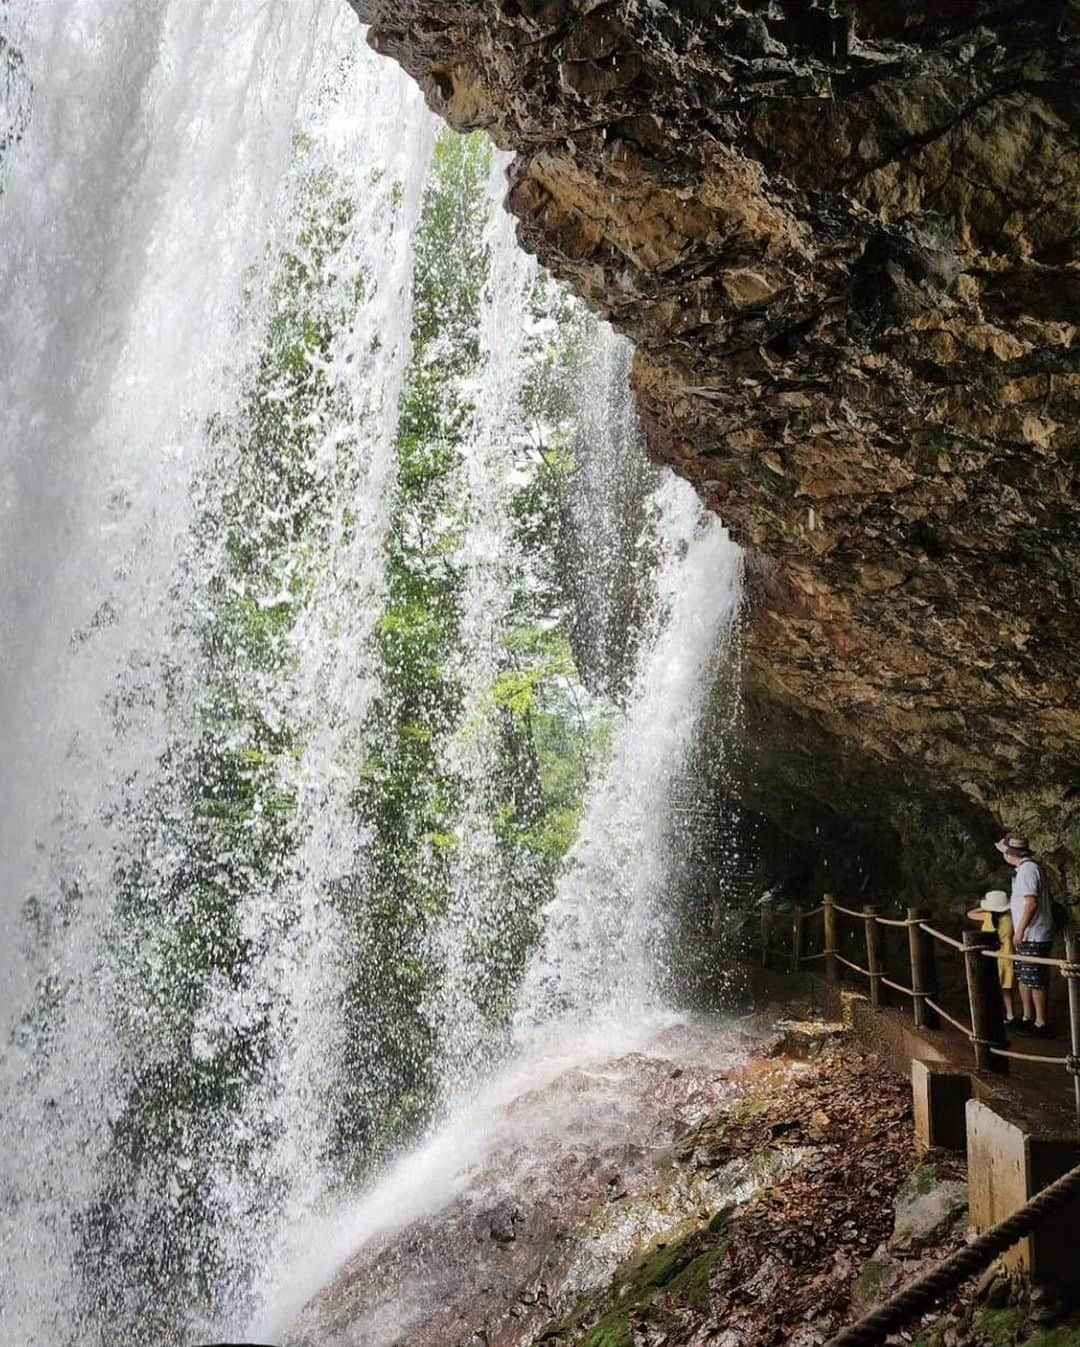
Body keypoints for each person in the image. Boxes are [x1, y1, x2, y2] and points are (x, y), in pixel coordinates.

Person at [996, 833, 1054, 1036]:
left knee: (1035, 978)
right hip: (1030, 933)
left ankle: (1041, 1023)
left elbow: (1031, 903)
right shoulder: (1024, 869)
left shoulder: (1028, 870)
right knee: (1025, 976)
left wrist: (1019, 930)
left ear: (1011, 853)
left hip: (1034, 933)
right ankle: (1028, 1018)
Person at [966, 889, 1016, 1026]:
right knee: (1006, 990)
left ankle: (994, 1015)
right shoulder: (1011, 918)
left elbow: (970, 914)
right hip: (1006, 956)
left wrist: (985, 908)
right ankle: (1010, 1015)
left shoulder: (987, 917)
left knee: (991, 989)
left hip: (989, 956)